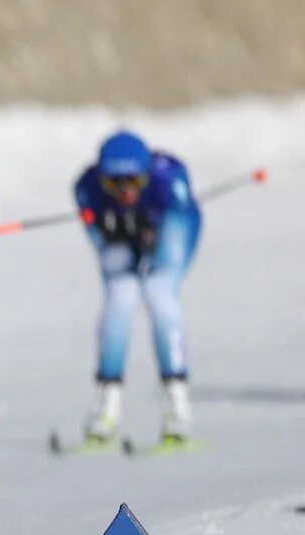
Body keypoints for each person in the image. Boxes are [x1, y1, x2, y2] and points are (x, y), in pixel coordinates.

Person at [74, 130, 201, 445]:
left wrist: (152, 229)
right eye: (113, 184)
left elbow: (178, 229)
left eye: (134, 182)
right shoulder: (85, 188)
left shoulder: (170, 178)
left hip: (173, 226)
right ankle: (107, 407)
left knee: (159, 292)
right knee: (120, 295)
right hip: (124, 234)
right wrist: (111, 230)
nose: (125, 191)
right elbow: (99, 240)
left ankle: (177, 408)